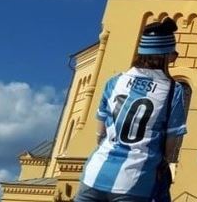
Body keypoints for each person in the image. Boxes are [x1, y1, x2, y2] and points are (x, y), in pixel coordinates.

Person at [77, 18, 187, 202]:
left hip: (94, 174)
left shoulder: (114, 82)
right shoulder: (172, 91)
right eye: (172, 55)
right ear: (165, 55)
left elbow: (100, 133)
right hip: (136, 179)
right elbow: (171, 142)